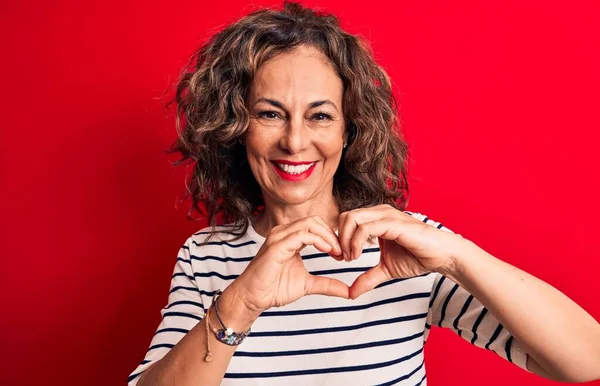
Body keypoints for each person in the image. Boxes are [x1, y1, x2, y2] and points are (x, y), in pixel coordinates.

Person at [128, 2, 600, 385]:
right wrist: (240, 303)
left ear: (348, 132)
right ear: (237, 127)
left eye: (320, 116)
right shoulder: (205, 256)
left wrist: (456, 257)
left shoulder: (409, 249)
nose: (295, 141)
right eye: (270, 114)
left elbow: (587, 361)